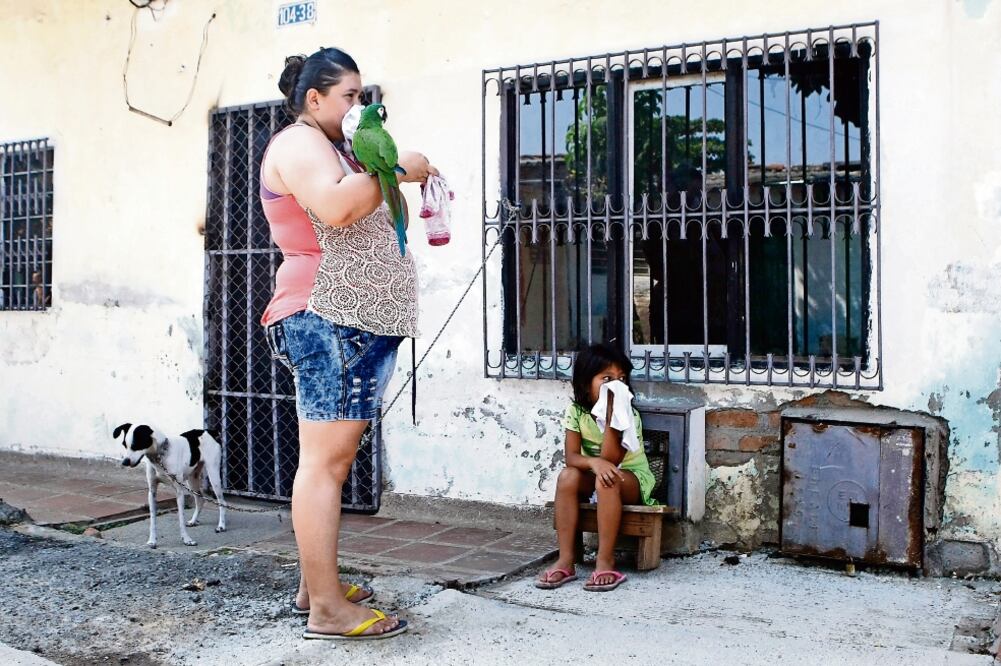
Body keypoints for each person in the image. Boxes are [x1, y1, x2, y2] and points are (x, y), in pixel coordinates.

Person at [259, 47, 437, 640]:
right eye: (350, 96)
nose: (359, 106)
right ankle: (329, 612)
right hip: (328, 313)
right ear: (314, 99)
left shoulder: (330, 145)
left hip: (346, 317)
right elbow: (336, 209)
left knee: (328, 462)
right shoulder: (298, 144)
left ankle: (317, 586)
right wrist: (399, 169)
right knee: (325, 466)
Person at [536, 343, 657, 592]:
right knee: (568, 476)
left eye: (621, 379)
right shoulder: (577, 412)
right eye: (607, 379)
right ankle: (566, 559)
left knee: (607, 478)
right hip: (596, 473)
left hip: (631, 478)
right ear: (585, 383)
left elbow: (612, 460)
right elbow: (571, 457)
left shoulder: (627, 414)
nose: (616, 385)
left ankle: (605, 561)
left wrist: (613, 411)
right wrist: (593, 462)